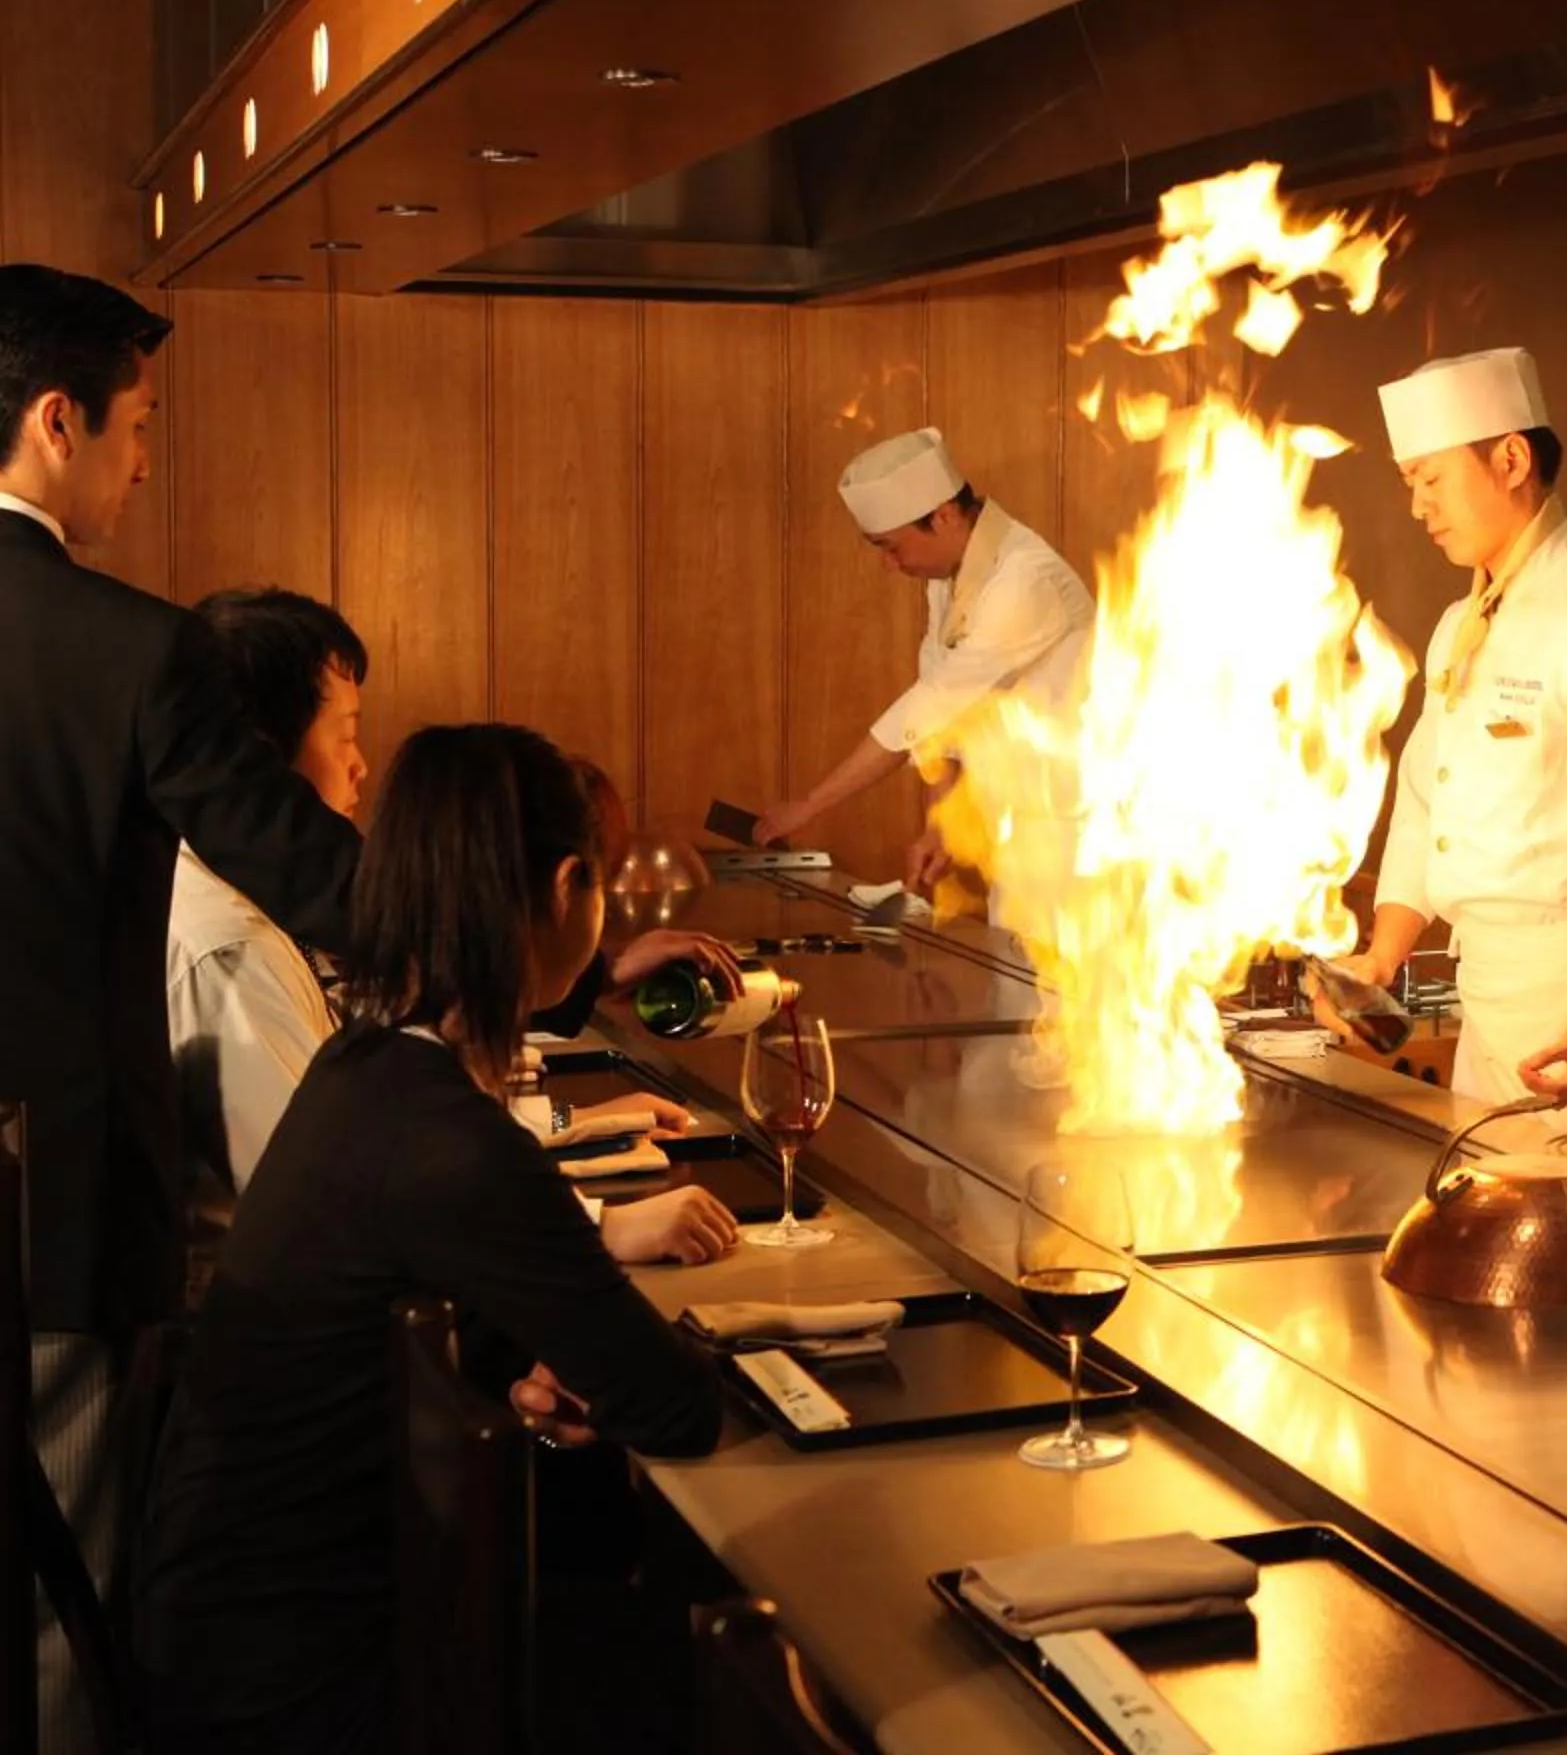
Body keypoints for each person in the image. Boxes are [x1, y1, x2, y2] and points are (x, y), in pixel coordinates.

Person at [137, 725, 727, 1753]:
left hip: (229, 1618)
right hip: (297, 1685)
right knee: (705, 1674)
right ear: (566, 885)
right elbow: (677, 1404)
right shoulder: (448, 1140)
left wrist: (514, 1368)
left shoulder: (370, 1065)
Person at [0, 265, 363, 1747]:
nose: (145, 463)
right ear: (54, 422)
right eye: (136, 427)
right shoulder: (130, 648)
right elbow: (305, 865)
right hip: (56, 1220)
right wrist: (547, 944)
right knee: (63, 1609)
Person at [169, 591, 738, 1277]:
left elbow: (399, 1145)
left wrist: (572, 1125)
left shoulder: (249, 896)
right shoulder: (230, 946)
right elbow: (329, 1200)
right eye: (346, 736)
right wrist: (595, 1226)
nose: (360, 768)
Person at [1315, 348, 1567, 1157]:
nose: (1419, 507)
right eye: (1409, 485)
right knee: (1483, 1226)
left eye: (1431, 479)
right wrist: (1383, 955)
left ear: (1510, 460)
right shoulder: (1459, 629)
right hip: (1487, 993)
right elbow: (1429, 796)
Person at [755, 428, 1091, 902]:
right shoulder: (948, 575)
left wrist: (809, 806)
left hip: (1080, 831)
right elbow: (939, 715)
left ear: (945, 516)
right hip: (1024, 824)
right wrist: (941, 821)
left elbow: (929, 707)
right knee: (1014, 971)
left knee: (1055, 972)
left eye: (892, 546)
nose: (890, 565)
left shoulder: (1024, 580)